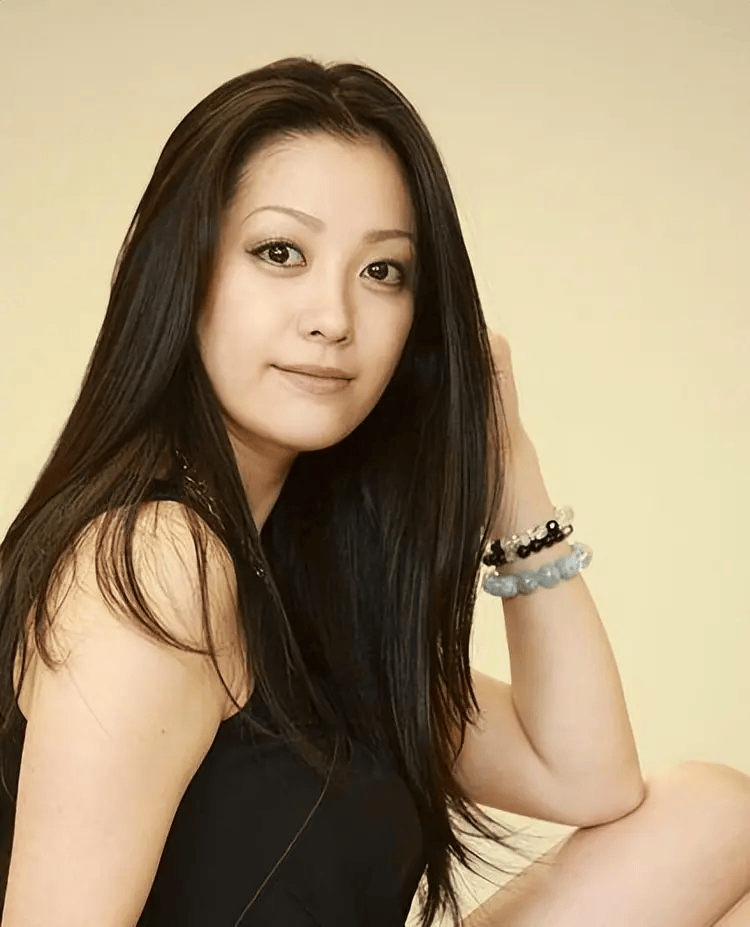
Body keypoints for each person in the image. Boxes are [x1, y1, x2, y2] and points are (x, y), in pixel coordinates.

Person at [1, 56, 749, 927]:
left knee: (713, 816)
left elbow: (586, 775)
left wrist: (507, 465)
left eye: (382, 271)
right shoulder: (158, 561)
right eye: (280, 253)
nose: (333, 318)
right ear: (184, 272)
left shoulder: (309, 584)